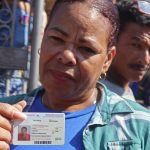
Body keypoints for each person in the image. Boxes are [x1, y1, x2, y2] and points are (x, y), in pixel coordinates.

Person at [0, 0, 150, 149]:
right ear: (43, 37)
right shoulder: (4, 114)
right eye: (57, 39)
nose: (66, 56)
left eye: (86, 49)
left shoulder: (140, 127)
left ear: (107, 59)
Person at [101, 0, 150, 101]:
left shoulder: (124, 94)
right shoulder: (89, 98)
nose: (146, 60)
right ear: (111, 41)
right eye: (136, 45)